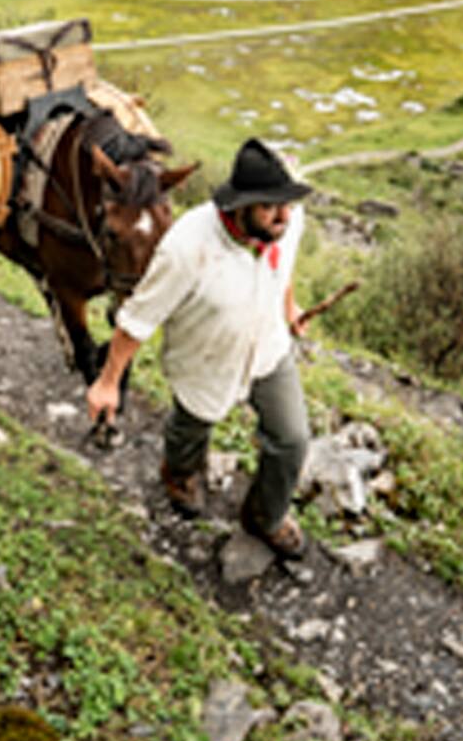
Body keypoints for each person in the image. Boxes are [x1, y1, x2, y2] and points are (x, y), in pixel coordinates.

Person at [86, 137, 313, 559]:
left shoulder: (287, 221)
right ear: (241, 205)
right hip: (204, 357)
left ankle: (265, 517)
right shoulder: (186, 247)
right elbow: (138, 319)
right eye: (271, 207)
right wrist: (108, 382)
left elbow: (283, 264)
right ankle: (179, 472)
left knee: (293, 439)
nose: (284, 216)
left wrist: (289, 306)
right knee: (194, 420)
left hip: (267, 346)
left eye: (288, 204)